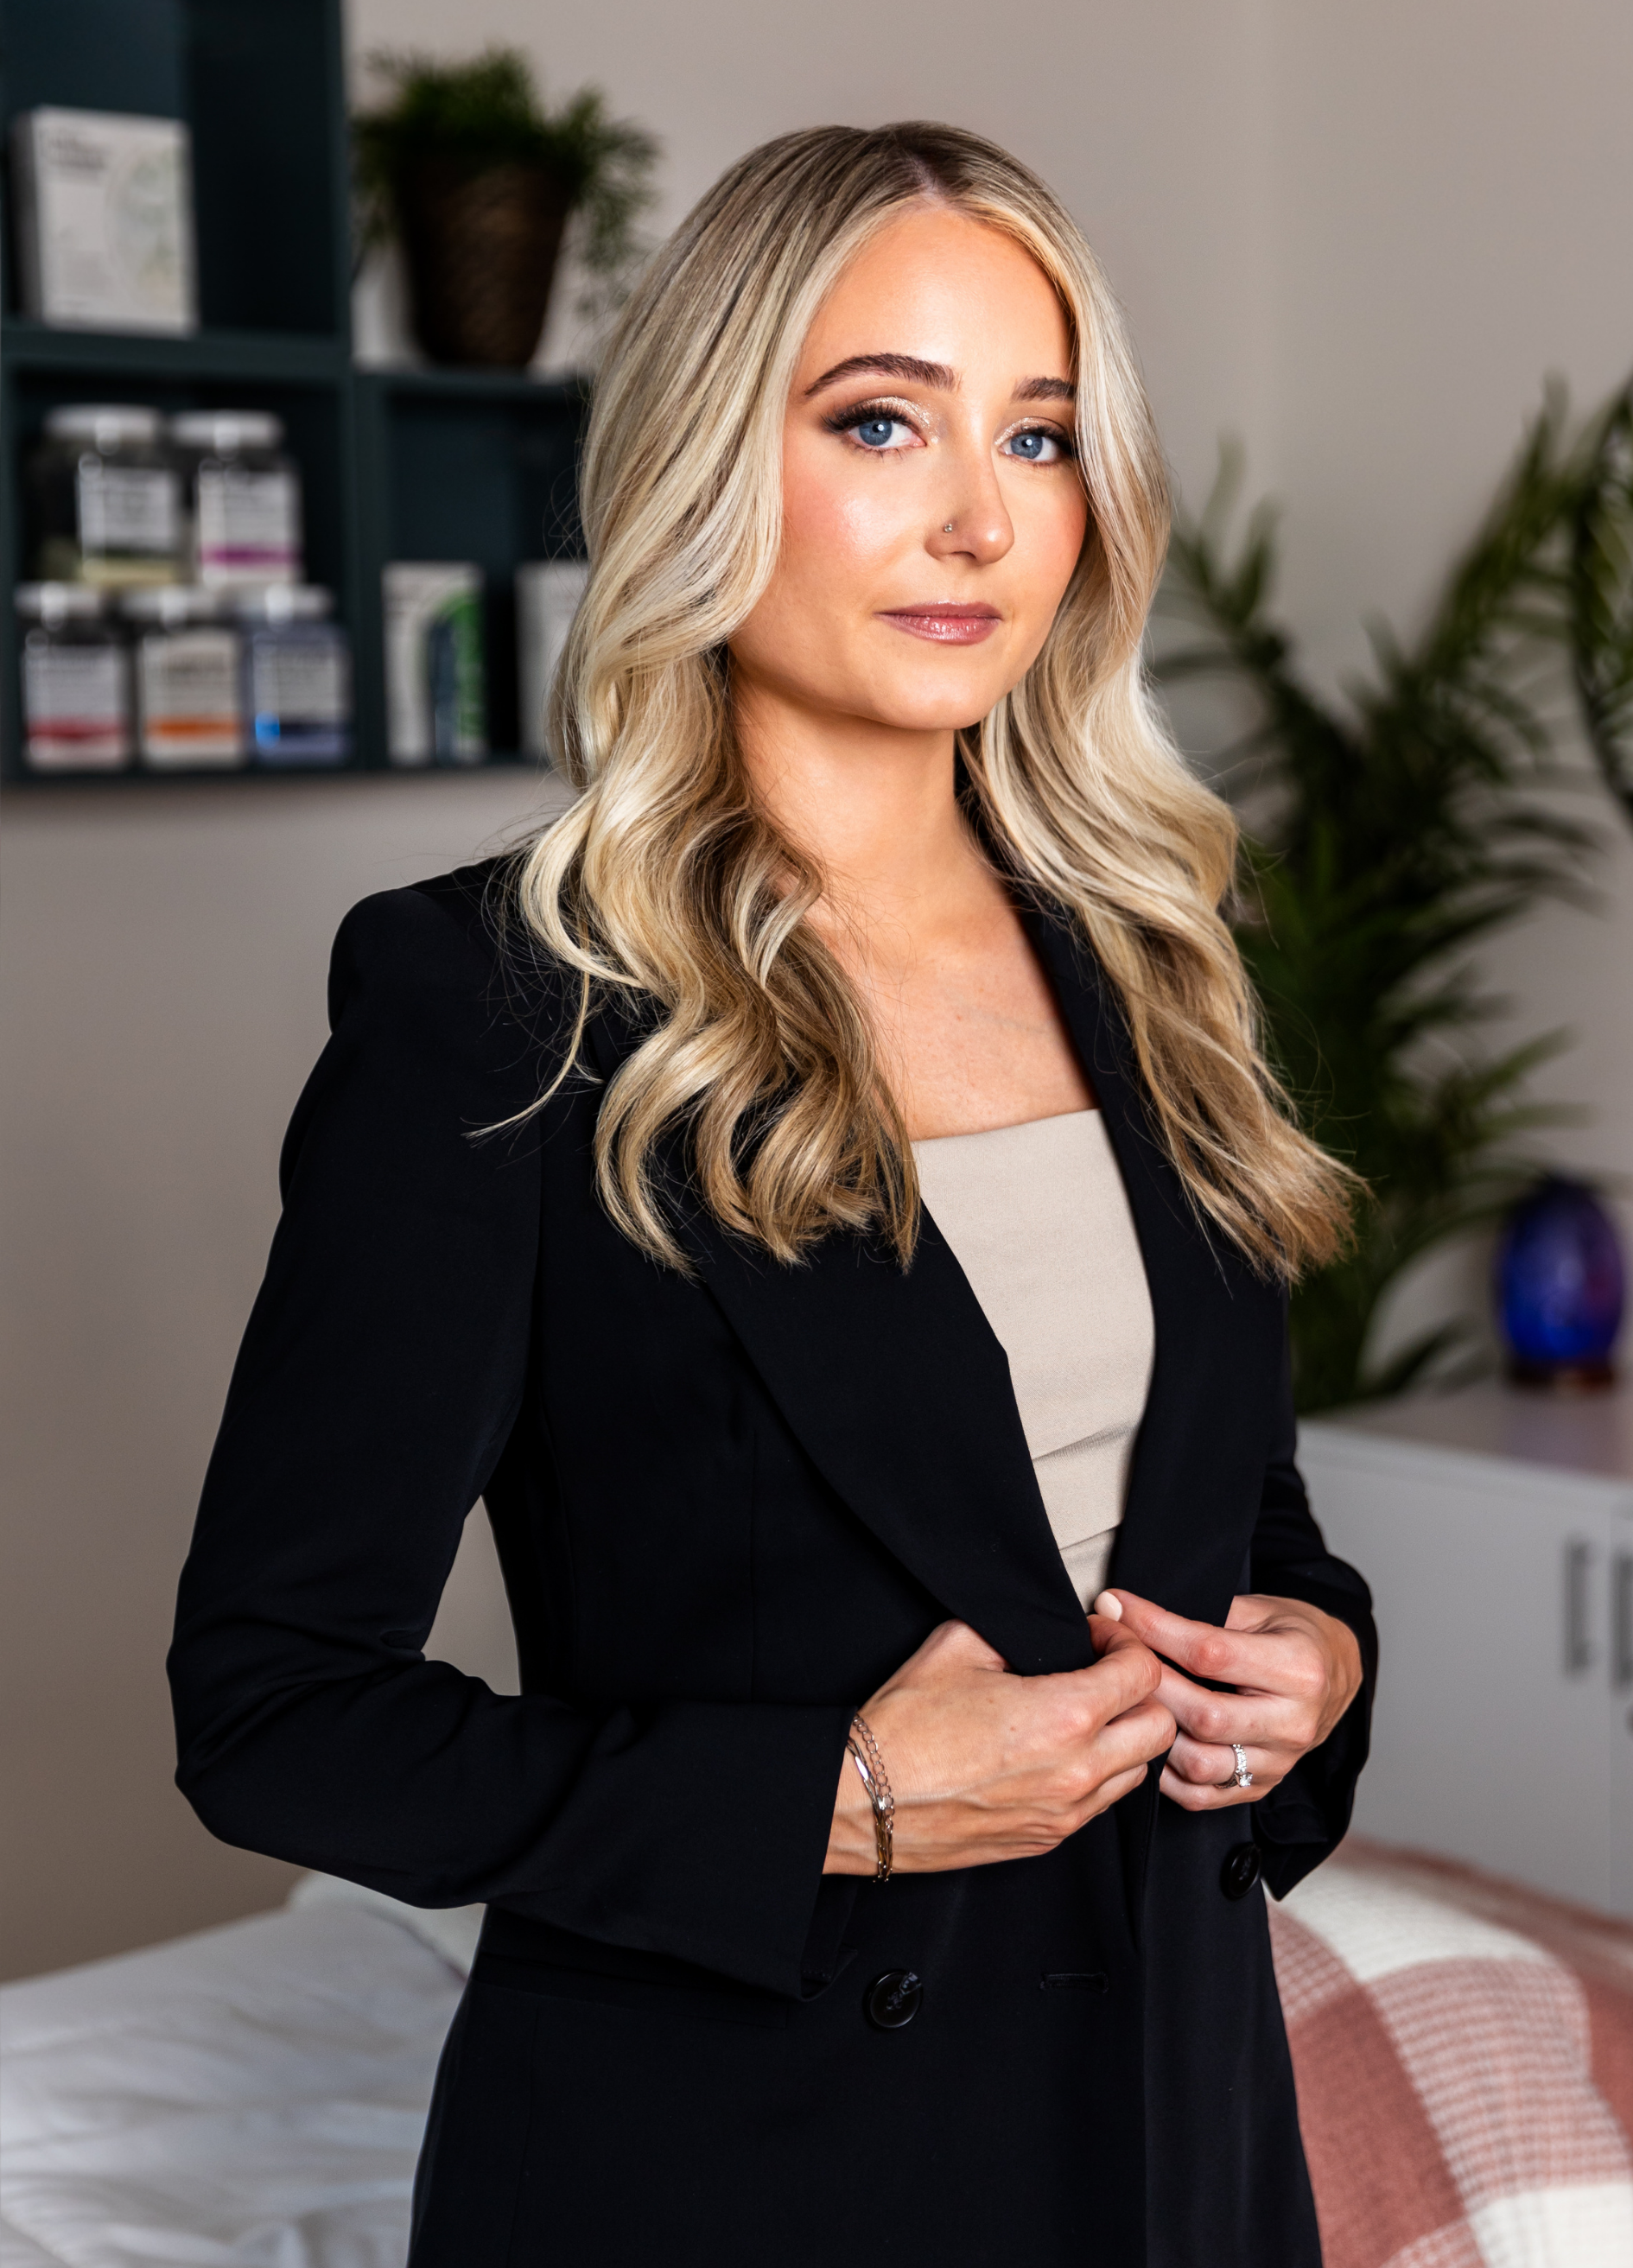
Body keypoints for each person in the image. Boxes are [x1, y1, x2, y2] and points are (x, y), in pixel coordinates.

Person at [168, 122, 1373, 2267]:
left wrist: (1312, 1666)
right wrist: (846, 1796)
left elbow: (1232, 1521)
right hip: (740, 2171)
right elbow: (278, 1712)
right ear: (717, 453)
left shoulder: (1147, 960)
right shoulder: (498, 1005)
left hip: (1176, 2144)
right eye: (882, 420)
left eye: (1041, 432)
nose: (980, 515)